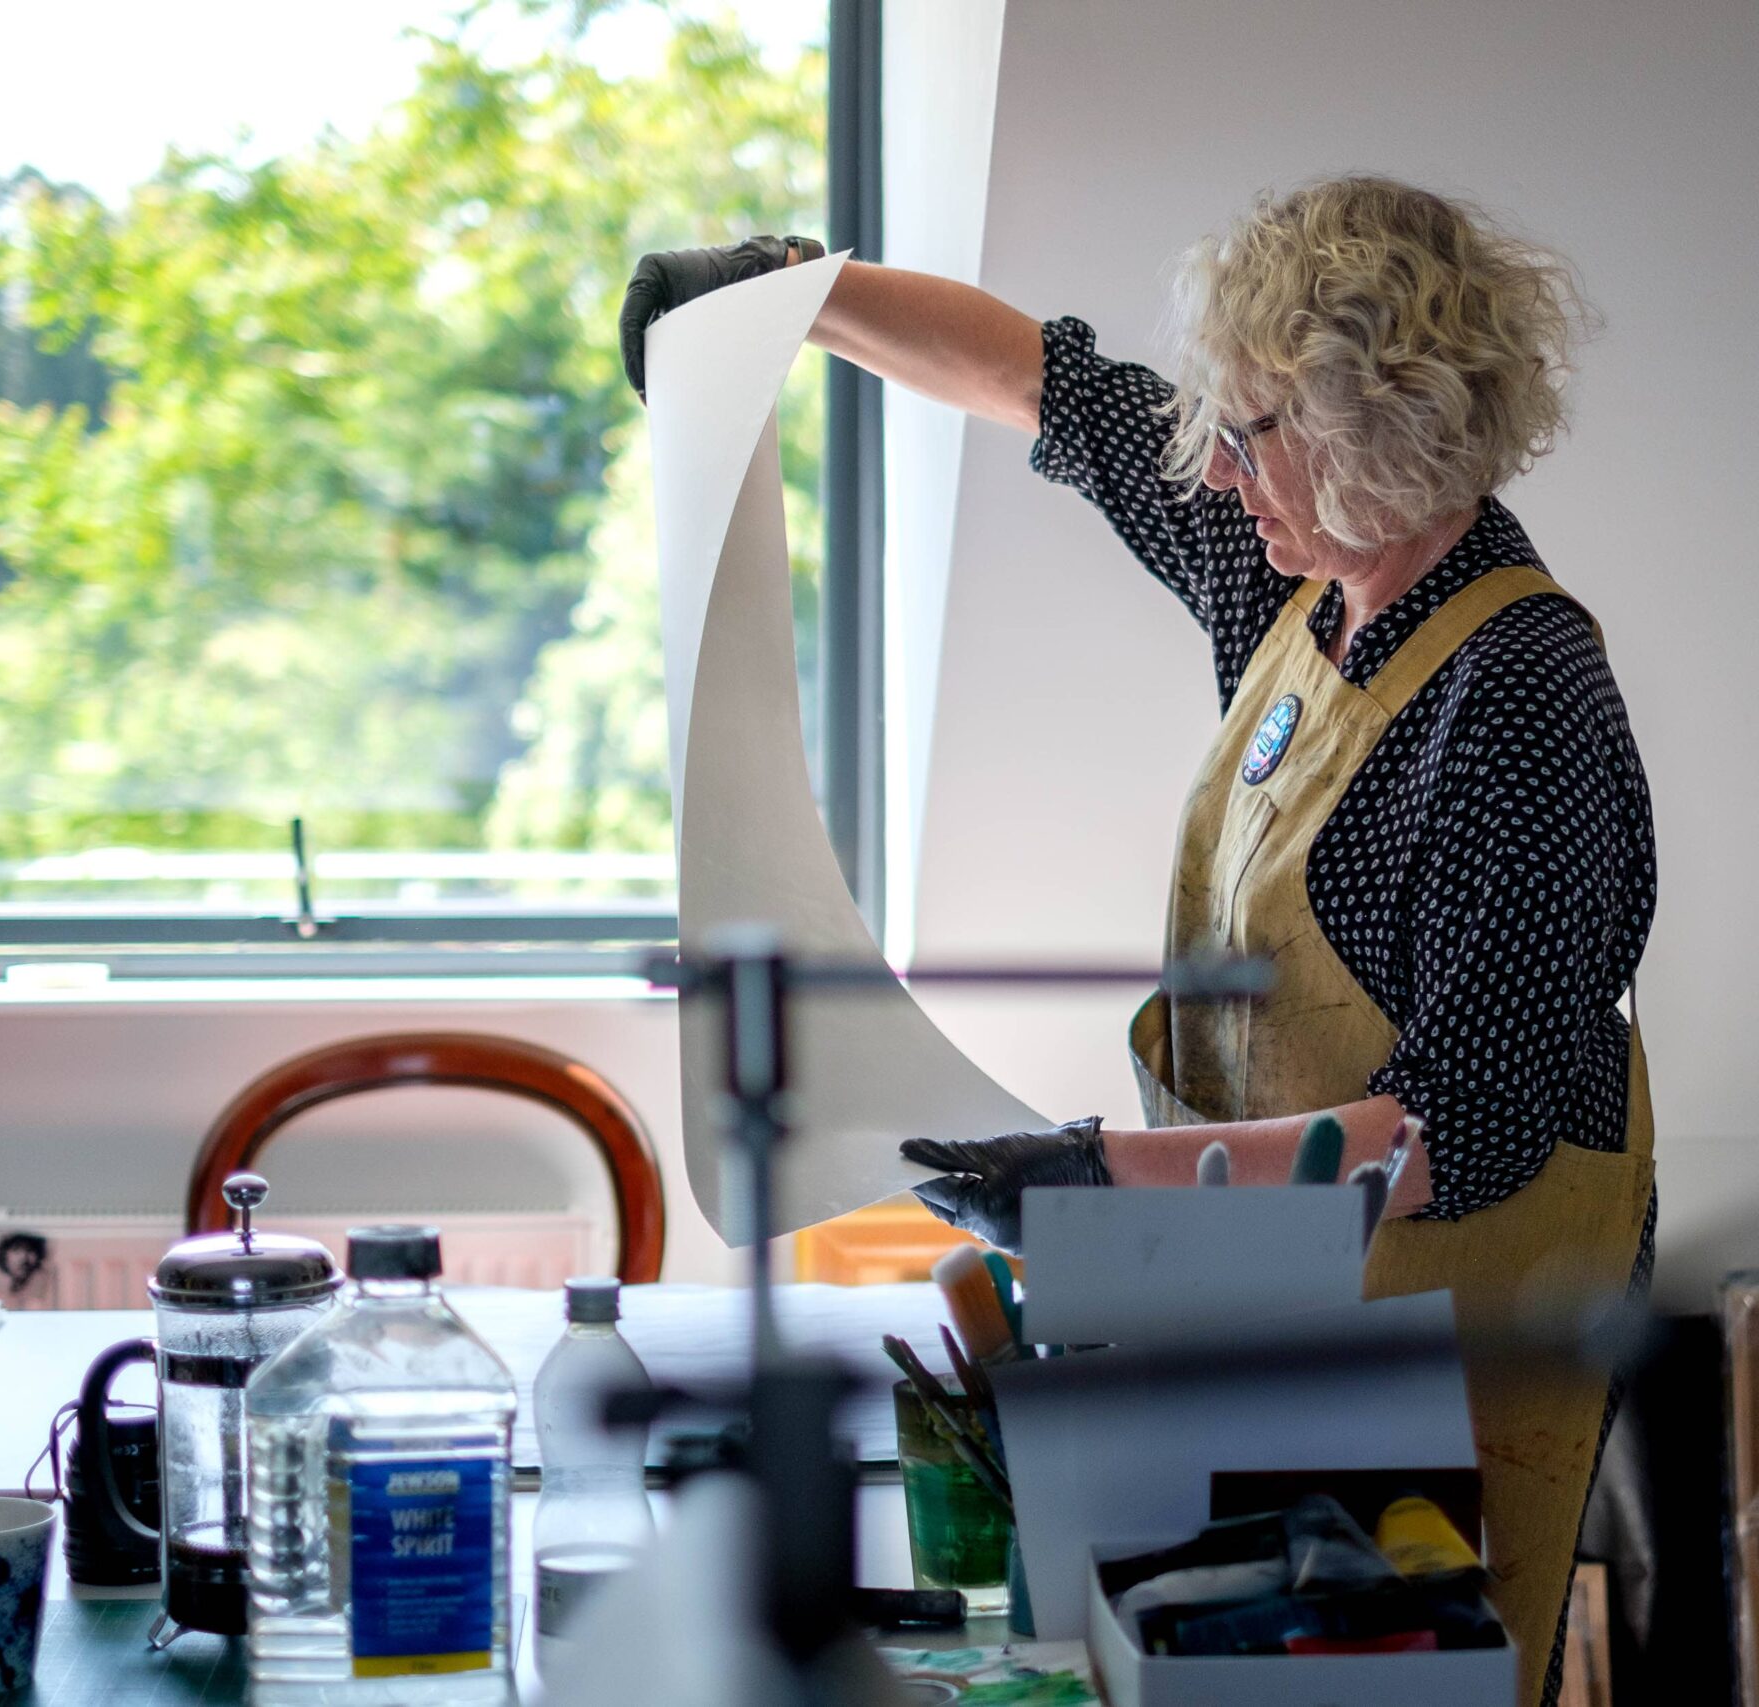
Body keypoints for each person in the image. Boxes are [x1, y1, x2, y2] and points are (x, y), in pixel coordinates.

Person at [622, 175, 1655, 1707]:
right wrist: (788, 290)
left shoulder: (1518, 706)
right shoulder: (1306, 582)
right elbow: (1051, 386)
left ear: (1380, 437)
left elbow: (1467, 1126)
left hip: (1445, 1347)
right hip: (1269, 1297)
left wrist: (1100, 1178)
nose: (1218, 475)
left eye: (1250, 437)